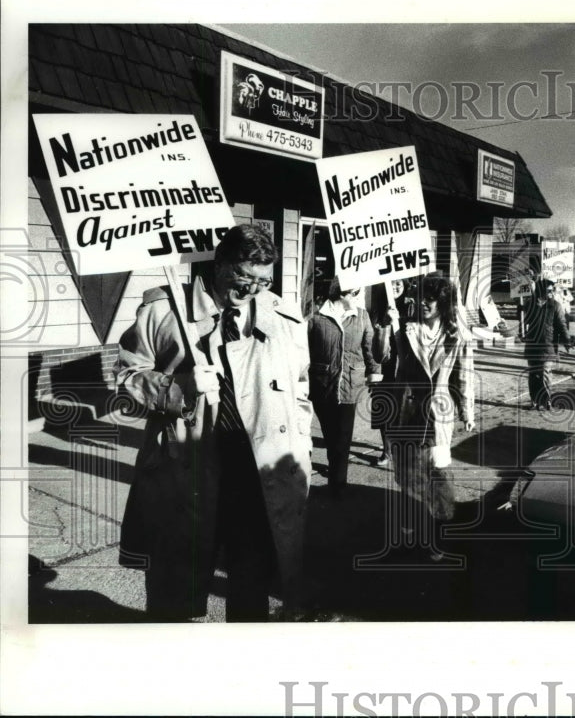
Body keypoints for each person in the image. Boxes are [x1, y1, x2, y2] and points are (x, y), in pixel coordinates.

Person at [116, 223, 313, 622]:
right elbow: (124, 380)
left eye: (263, 281)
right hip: (188, 473)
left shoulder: (284, 318)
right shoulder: (163, 312)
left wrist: (301, 445)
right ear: (220, 263)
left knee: (252, 582)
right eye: (244, 277)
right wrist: (175, 387)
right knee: (176, 588)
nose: (253, 290)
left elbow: (300, 390)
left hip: (258, 474)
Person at [385, 274, 475, 560]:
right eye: (421, 296)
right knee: (408, 476)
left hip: (438, 415)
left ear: (443, 302)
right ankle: (409, 535)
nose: (423, 302)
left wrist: (467, 410)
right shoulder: (405, 330)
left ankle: (436, 538)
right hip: (408, 413)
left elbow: (464, 376)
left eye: (430, 298)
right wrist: (384, 328)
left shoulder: (457, 335)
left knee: (437, 477)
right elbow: (384, 359)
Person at [307, 279, 380, 497]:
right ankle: (334, 463)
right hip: (322, 383)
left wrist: (374, 372)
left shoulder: (362, 316)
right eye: (353, 293)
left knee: (343, 436)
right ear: (339, 293)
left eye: (358, 292)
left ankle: (338, 485)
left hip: (350, 383)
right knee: (330, 433)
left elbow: (370, 348)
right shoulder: (316, 315)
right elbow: (304, 349)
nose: (357, 297)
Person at [370, 278, 417, 467]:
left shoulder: (412, 307)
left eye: (399, 283)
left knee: (406, 409)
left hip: (405, 365)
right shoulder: (378, 307)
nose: (396, 287)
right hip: (385, 365)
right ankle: (387, 450)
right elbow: (377, 349)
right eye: (392, 283)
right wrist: (386, 323)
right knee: (384, 407)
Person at [522, 277, 571, 409]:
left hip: (548, 345)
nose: (552, 293)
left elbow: (562, 324)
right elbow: (525, 321)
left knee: (544, 372)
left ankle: (546, 400)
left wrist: (567, 340)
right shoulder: (530, 304)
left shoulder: (555, 306)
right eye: (549, 290)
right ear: (540, 291)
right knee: (533, 374)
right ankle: (534, 400)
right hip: (532, 345)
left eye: (552, 290)